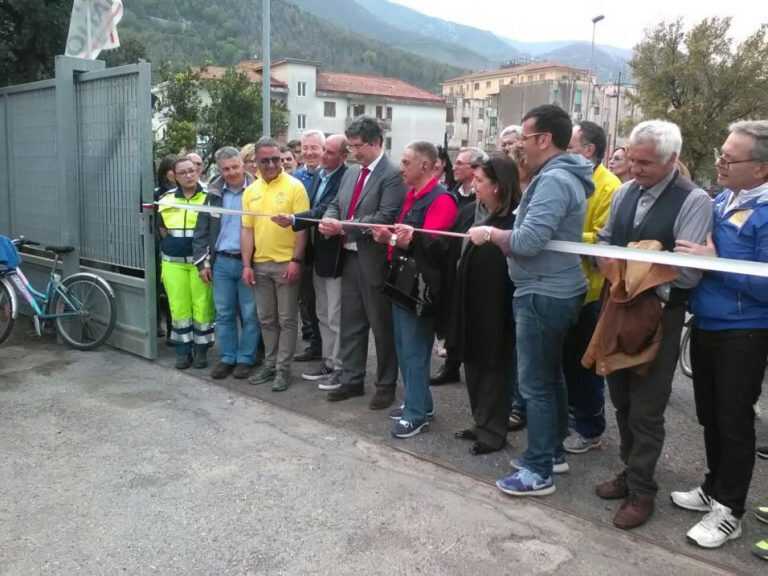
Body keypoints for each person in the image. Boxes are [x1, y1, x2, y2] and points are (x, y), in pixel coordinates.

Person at [469, 104, 594, 496]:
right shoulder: (556, 176)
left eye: (524, 137)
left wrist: (491, 235)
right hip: (547, 288)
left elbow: (527, 241)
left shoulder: (554, 180)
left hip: (544, 291)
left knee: (536, 384)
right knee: (550, 378)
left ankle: (538, 469)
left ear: (544, 139)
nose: (519, 146)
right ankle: (551, 452)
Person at [595, 120, 712, 529]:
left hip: (660, 314)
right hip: (618, 307)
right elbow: (606, 241)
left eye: (645, 162)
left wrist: (630, 274)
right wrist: (614, 263)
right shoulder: (625, 192)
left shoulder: (694, 200)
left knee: (647, 408)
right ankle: (630, 471)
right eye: (632, 159)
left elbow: (687, 274)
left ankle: (642, 491)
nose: (634, 168)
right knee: (621, 398)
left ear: (672, 160)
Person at [670, 120, 768, 548]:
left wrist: (715, 263)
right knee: (709, 414)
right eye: (720, 155)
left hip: (744, 333)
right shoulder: (724, 198)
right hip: (707, 324)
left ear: (761, 168)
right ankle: (713, 487)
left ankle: (730, 510)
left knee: (734, 420)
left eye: (730, 159)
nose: (720, 164)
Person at [319, 116, 407, 410]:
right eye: (351, 146)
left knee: (381, 327)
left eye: (358, 146)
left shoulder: (392, 175)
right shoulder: (351, 174)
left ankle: (385, 385)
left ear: (376, 142)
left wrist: (343, 226)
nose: (353, 152)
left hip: (375, 261)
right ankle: (352, 379)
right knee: (351, 323)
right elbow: (336, 203)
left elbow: (385, 216)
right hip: (349, 257)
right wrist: (330, 219)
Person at [370, 141, 457, 438]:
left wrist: (392, 240)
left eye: (406, 162)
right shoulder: (412, 195)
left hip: (420, 288)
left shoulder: (441, 200)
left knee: (414, 352)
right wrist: (392, 238)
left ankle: (416, 414)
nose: (401, 168)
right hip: (402, 282)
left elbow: (434, 245)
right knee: (405, 348)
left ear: (425, 165)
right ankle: (419, 404)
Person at [453, 155, 520, 454]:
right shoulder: (482, 216)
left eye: (480, 181)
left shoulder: (511, 223)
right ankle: (481, 421)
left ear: (498, 186)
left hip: (496, 306)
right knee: (474, 363)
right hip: (473, 302)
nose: (475, 185)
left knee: (494, 367)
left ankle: (494, 431)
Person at [563, 121, 622, 454]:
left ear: (588, 151)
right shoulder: (566, 178)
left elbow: (603, 237)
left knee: (585, 364)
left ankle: (590, 429)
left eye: (570, 147)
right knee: (566, 361)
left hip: (591, 291)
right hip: (563, 285)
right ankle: (570, 418)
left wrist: (562, 236)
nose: (564, 153)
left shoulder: (610, 186)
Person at [272, 134, 349, 389]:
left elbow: (324, 210)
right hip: (317, 256)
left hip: (335, 257)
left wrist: (294, 219)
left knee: (335, 315)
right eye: (322, 150)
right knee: (323, 313)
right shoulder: (319, 176)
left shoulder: (345, 177)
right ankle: (329, 361)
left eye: (328, 152)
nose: (322, 155)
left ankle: (340, 367)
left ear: (343, 156)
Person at [241, 138, 309, 392]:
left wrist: (296, 260)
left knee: (287, 320)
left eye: (275, 159)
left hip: (285, 265)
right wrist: (246, 264)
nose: (270, 164)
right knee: (266, 319)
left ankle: (283, 369)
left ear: (281, 158)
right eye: (265, 160)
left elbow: (302, 228)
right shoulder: (251, 191)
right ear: (256, 161)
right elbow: (247, 230)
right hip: (260, 265)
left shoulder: (295, 187)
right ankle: (269, 364)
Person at [193, 146, 260, 380]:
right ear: (219, 170)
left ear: (242, 164)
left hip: (248, 262)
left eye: (235, 167)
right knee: (223, 314)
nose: (231, 172)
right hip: (221, 262)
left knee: (250, 314)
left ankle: (246, 359)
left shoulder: (257, 190)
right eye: (226, 169)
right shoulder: (212, 194)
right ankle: (227, 357)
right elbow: (201, 231)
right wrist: (202, 264)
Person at [430, 146, 488, 387]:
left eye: (460, 163)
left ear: (475, 169)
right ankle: (451, 365)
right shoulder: (452, 194)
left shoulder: (482, 200)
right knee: (452, 314)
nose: (454, 167)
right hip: (452, 261)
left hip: (475, 265)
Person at [157, 157, 215, 369]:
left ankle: (201, 351)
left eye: (192, 170)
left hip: (200, 263)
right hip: (173, 263)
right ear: (174, 176)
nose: (189, 175)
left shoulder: (210, 197)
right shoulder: (166, 199)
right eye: (183, 172)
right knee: (179, 308)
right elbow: (161, 229)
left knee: (203, 307)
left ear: (198, 171)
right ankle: (183, 351)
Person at [292, 130, 326, 362]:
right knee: (307, 300)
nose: (309, 152)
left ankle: (328, 349)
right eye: (305, 148)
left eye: (314, 148)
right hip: (301, 248)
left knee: (326, 304)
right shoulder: (295, 178)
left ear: (323, 150)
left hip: (324, 248)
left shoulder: (329, 176)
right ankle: (315, 344)